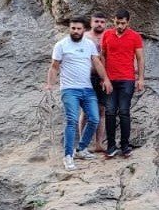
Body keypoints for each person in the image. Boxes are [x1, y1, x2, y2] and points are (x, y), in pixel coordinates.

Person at [46, 16, 112, 171]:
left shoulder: (89, 44)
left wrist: (106, 79)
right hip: (69, 90)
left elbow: (97, 63)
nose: (75, 31)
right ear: (70, 28)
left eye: (78, 28)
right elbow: (54, 67)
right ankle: (68, 156)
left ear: (84, 29)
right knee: (72, 121)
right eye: (73, 28)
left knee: (95, 119)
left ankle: (81, 149)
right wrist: (50, 84)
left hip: (87, 89)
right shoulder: (61, 45)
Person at [101, 9, 145, 158]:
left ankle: (125, 145)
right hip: (110, 80)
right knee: (110, 112)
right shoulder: (107, 34)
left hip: (127, 79)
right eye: (117, 22)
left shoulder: (135, 37)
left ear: (128, 22)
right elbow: (103, 56)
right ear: (113, 20)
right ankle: (111, 146)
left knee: (124, 112)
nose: (120, 26)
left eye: (123, 23)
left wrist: (140, 79)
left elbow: (139, 58)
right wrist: (104, 78)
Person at [80, 12, 110, 153]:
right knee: (85, 112)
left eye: (102, 22)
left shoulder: (108, 36)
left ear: (105, 24)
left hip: (103, 78)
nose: (99, 24)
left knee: (102, 110)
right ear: (91, 23)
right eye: (96, 21)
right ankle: (83, 144)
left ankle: (98, 144)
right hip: (86, 77)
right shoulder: (84, 37)